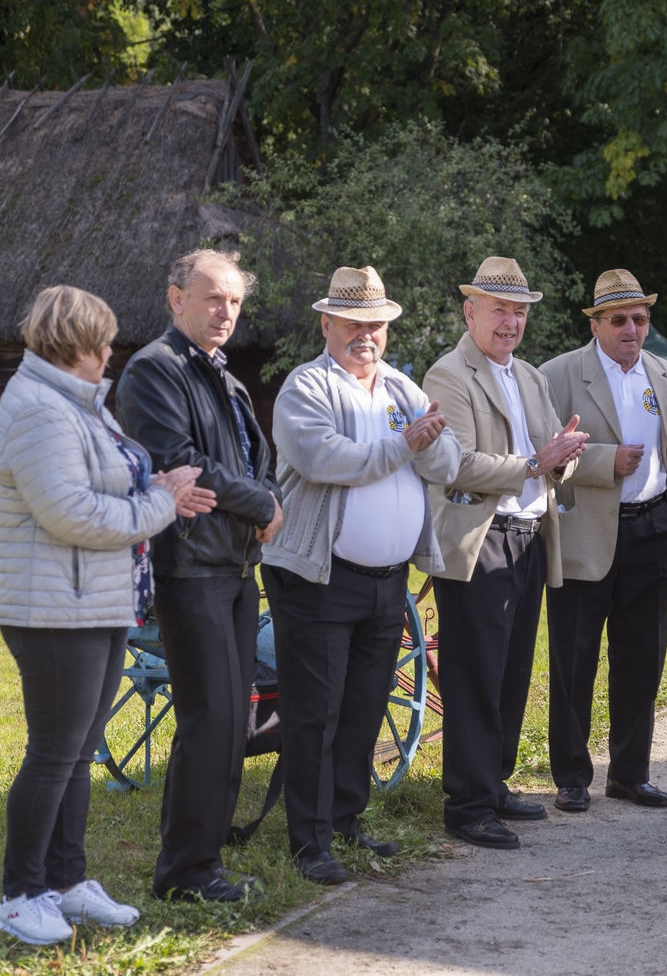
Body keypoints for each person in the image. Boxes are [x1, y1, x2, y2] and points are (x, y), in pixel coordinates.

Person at [0, 285, 215, 944]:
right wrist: (162, 504)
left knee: (78, 754)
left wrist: (158, 486)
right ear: (76, 345)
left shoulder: (77, 404)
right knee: (53, 755)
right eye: (104, 342)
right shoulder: (39, 411)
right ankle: (19, 896)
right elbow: (72, 513)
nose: (112, 352)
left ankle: (65, 883)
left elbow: (109, 484)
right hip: (55, 610)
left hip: (94, 601)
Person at [260, 267, 461, 885]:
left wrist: (427, 441)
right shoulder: (307, 386)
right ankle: (309, 842)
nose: (365, 335)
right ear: (327, 324)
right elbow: (326, 459)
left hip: (386, 579)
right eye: (353, 323)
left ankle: (345, 820)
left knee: (365, 708)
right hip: (319, 577)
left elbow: (448, 462)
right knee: (315, 712)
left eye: (376, 324)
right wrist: (408, 444)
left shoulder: (400, 388)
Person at [116, 249, 284, 903]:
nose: (225, 311)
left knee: (229, 722)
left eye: (235, 301)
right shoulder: (155, 369)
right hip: (190, 566)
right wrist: (263, 505)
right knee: (210, 718)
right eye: (213, 297)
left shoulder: (226, 380)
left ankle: (202, 860)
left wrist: (267, 498)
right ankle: (186, 873)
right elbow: (181, 462)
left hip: (235, 567)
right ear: (175, 298)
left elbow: (255, 464)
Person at [422, 257, 588, 850]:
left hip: (530, 534)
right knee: (474, 674)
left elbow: (555, 454)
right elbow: (458, 463)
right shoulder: (449, 374)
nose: (511, 322)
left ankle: (493, 784)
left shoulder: (530, 377)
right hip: (480, 540)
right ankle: (466, 805)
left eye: (519, 312)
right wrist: (539, 462)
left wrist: (563, 457)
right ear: (470, 313)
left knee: (513, 670)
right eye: (500, 310)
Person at [540, 269, 667, 813]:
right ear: (596, 324)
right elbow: (543, 451)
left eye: (640, 318)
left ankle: (630, 775)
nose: (632, 329)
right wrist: (606, 461)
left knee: (642, 658)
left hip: (654, 528)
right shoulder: (557, 374)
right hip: (584, 532)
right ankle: (571, 777)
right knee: (574, 658)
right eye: (619, 320)